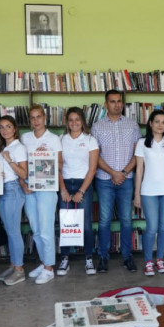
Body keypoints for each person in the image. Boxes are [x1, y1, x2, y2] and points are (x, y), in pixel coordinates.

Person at [92, 89, 142, 273]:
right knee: (104, 220)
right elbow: (95, 156)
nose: (117, 104)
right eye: (112, 101)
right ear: (106, 104)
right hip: (104, 179)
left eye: (119, 101)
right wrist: (113, 173)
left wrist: (123, 172)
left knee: (126, 220)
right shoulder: (97, 127)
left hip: (126, 180)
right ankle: (103, 257)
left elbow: (138, 153)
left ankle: (127, 256)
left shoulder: (132, 125)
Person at [134, 110, 164, 276]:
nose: (160, 125)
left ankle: (160, 259)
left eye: (163, 122)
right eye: (157, 121)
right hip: (148, 191)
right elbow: (139, 170)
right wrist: (137, 194)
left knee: (163, 228)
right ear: (150, 123)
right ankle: (148, 261)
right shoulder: (142, 143)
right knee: (151, 227)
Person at [22, 104, 63, 285]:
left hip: (47, 188)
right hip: (30, 188)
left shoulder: (53, 139)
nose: (36, 121)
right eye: (32, 117)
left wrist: (45, 156)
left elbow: (60, 164)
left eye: (39, 116)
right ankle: (43, 262)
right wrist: (23, 184)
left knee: (46, 230)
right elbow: (21, 164)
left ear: (44, 118)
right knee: (36, 230)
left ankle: (49, 268)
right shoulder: (25, 138)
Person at [57, 107, 99, 276]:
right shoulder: (61, 140)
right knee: (65, 223)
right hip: (65, 183)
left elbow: (93, 168)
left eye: (77, 119)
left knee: (86, 224)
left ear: (82, 121)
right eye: (71, 119)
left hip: (84, 184)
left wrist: (81, 191)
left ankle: (88, 258)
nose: (74, 123)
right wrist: (63, 189)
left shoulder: (90, 140)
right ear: (67, 122)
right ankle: (65, 258)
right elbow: (58, 167)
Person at [0, 116, 28, 286]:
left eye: (8, 126)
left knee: (14, 232)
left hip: (13, 190)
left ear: (14, 129)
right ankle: (13, 265)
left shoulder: (18, 147)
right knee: (9, 231)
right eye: (1, 127)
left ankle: (19, 270)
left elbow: (23, 173)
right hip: (3, 189)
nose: (5, 130)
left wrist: (8, 160)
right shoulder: (3, 148)